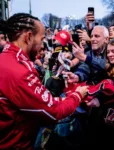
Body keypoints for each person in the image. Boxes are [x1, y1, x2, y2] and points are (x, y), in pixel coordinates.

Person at [0, 13, 89, 149]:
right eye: (41, 39)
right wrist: (78, 95)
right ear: (29, 37)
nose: (43, 45)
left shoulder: (6, 59)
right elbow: (54, 111)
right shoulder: (18, 70)